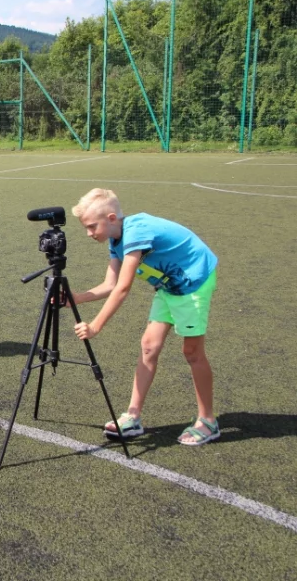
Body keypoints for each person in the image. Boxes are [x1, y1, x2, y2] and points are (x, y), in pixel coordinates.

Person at [69, 188, 220, 446]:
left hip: (193, 282)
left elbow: (123, 288)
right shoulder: (116, 241)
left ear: (112, 217)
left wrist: (95, 326)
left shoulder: (136, 231)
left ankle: (208, 421)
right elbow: (109, 284)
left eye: (93, 226)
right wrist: (74, 298)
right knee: (149, 346)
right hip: (169, 286)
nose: (89, 233)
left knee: (192, 352)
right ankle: (133, 417)